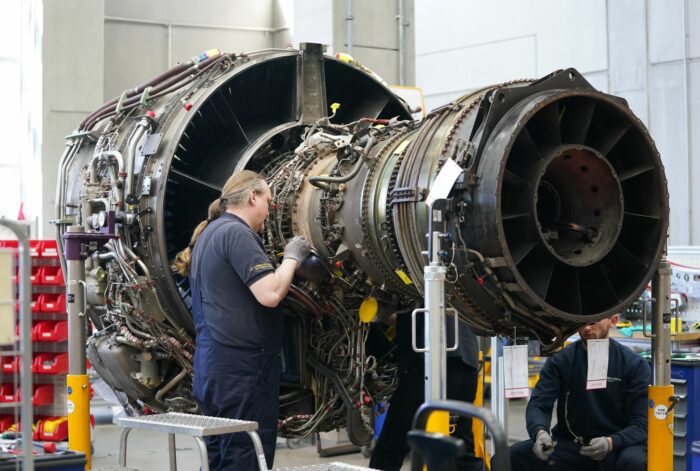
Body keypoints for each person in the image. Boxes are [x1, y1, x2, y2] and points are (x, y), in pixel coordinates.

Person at [172, 170, 311, 470]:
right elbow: (270, 293)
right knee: (245, 456)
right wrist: (292, 258)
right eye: (268, 201)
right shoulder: (237, 234)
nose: (269, 211)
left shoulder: (209, 233)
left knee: (218, 458)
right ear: (252, 197)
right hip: (242, 373)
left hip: (213, 368)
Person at [508, 314, 650, 471]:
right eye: (581, 323)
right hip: (573, 444)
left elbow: (642, 423)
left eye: (593, 322)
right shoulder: (562, 360)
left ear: (613, 321)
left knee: (634, 461)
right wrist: (540, 432)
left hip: (618, 446)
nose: (587, 328)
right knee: (509, 457)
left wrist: (611, 442)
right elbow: (539, 404)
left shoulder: (633, 364)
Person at [369, 310, 484, 471]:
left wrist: (375, 315)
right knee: (462, 450)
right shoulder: (452, 295)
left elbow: (400, 315)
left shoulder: (417, 294)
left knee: (390, 448)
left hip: (428, 363)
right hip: (466, 363)